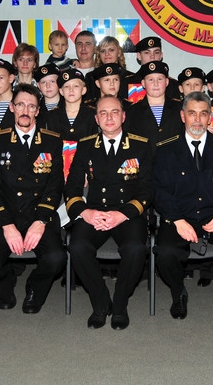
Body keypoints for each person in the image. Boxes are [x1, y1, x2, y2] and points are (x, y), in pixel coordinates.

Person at [153, 92, 213, 341]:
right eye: (192, 113)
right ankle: (178, 292)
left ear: (210, 117)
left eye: (203, 113)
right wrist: (177, 220)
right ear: (182, 116)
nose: (197, 119)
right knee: (164, 251)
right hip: (180, 217)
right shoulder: (166, 150)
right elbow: (160, 192)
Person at [0, 84, 66, 314]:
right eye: (21, 105)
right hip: (6, 215)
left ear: (38, 111)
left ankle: (35, 287)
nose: (26, 111)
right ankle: (6, 286)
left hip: (38, 214)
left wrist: (40, 221)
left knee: (56, 259)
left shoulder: (52, 141)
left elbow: (55, 186)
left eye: (31, 106)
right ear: (12, 107)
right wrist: (7, 226)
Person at [65, 96, 153, 330]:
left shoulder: (140, 145)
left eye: (114, 112)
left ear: (123, 116)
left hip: (127, 213)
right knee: (77, 247)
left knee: (135, 248)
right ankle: (101, 302)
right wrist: (85, 212)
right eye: (103, 113)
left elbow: (148, 190)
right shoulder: (86, 145)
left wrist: (122, 214)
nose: (109, 117)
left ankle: (120, 304)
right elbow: (72, 188)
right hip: (95, 211)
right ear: (96, 119)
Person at [125, 61, 182, 146]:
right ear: (143, 83)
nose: (156, 84)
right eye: (150, 80)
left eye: (160, 79)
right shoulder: (132, 111)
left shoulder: (179, 108)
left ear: (167, 82)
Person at [127, 36, 181, 102]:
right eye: (147, 53)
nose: (152, 56)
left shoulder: (173, 85)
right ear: (139, 56)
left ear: (161, 55)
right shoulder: (127, 83)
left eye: (156, 52)